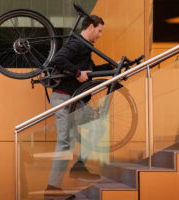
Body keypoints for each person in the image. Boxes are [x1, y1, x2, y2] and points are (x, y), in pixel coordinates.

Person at [45, 14, 113, 194]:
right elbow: (57, 59)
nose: (100, 35)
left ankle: (79, 166)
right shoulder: (77, 44)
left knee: (98, 126)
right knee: (66, 142)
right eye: (99, 31)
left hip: (75, 101)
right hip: (63, 99)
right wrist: (76, 73)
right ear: (90, 27)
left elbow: (91, 72)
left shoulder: (86, 49)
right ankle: (52, 191)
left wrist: (116, 68)